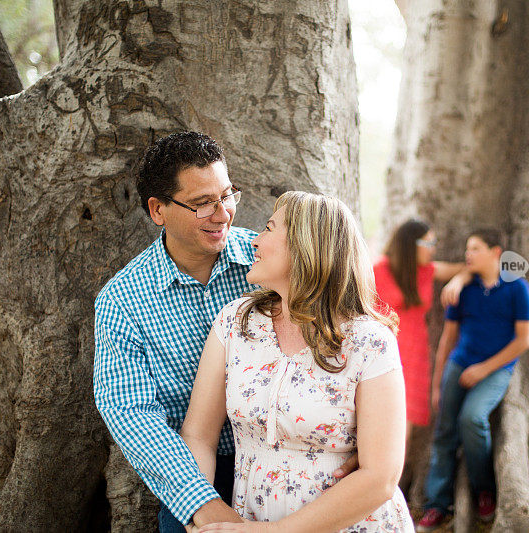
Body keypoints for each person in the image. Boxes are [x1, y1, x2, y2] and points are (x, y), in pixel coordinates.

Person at [93, 132, 357, 532]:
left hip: (298, 454)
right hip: (194, 472)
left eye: (227, 194)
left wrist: (365, 442)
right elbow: (132, 413)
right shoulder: (122, 300)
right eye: (202, 203)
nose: (223, 213)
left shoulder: (273, 262)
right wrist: (202, 502)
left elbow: (359, 337)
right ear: (158, 210)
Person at [180, 191, 414, 532]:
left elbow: (381, 477)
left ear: (306, 246)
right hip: (249, 519)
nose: (254, 241)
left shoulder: (369, 342)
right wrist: (201, 514)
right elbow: (198, 435)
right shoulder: (235, 323)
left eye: (268, 228)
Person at [417, 228, 529, 529]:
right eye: (467, 249)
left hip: (496, 369)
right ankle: (437, 504)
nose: (468, 255)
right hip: (459, 364)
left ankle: (484, 489)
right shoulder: (463, 290)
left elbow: (524, 340)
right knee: (444, 431)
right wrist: (437, 384)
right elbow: (447, 340)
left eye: (475, 249)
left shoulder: (517, 288)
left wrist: (484, 369)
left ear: (495, 252)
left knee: (472, 419)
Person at [373, 219, 467, 441]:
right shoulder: (378, 270)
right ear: (409, 244)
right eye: (428, 243)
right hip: (383, 349)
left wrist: (458, 282)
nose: (432, 248)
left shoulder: (426, 271)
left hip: (415, 352)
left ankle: (397, 473)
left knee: (403, 421)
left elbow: (465, 269)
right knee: (378, 414)